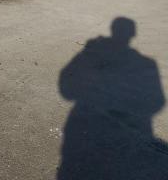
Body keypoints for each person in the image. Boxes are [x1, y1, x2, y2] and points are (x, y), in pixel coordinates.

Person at [58, 17, 168, 179]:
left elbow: (66, 90)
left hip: (82, 124)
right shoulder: (147, 63)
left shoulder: (146, 63)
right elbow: (158, 102)